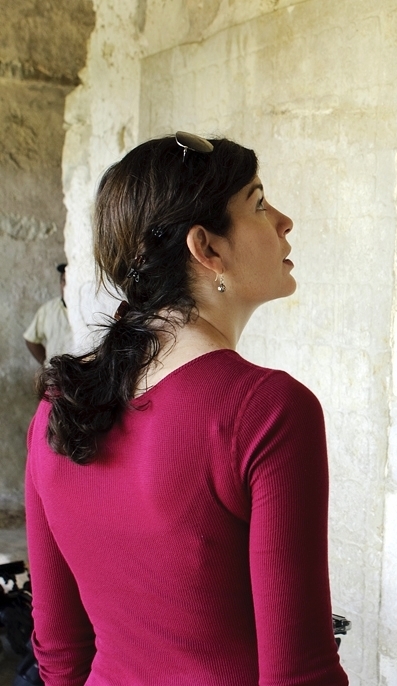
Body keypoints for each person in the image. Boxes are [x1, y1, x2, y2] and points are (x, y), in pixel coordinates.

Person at [25, 132, 349, 686]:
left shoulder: (58, 407)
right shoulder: (268, 411)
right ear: (208, 249)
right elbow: (300, 674)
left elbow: (59, 649)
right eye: (259, 202)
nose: (284, 221)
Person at [23, 263, 74, 365]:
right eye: (64, 280)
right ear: (60, 283)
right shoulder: (48, 310)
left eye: (72, 281)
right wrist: (47, 365)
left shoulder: (91, 311)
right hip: (55, 377)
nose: (68, 285)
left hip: (83, 377)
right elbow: (31, 339)